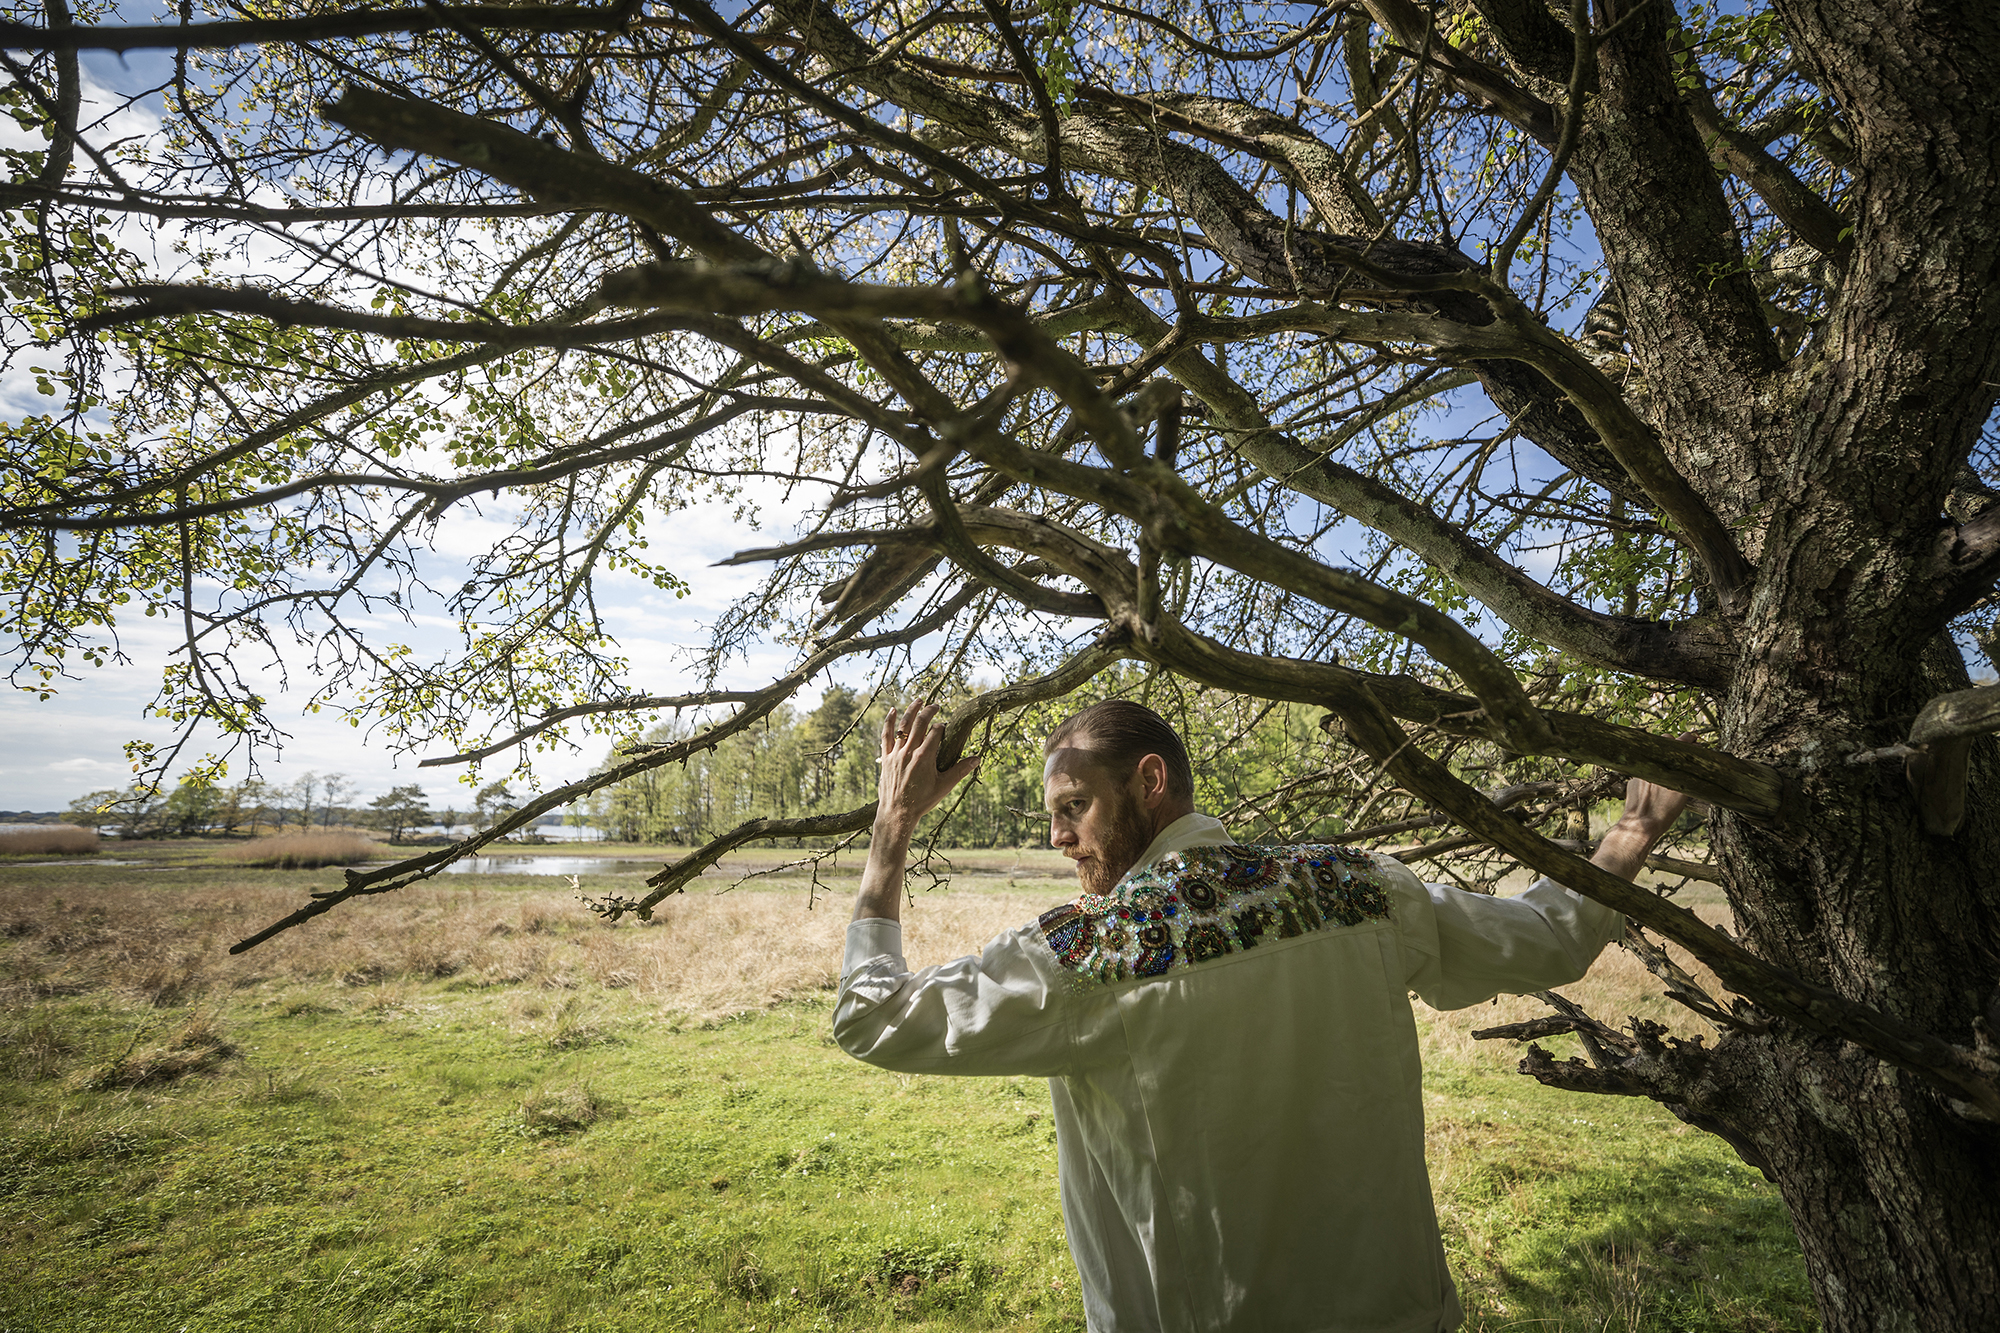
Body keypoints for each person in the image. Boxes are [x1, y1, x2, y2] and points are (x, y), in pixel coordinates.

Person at [834, 697, 1689, 1333]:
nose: (1058, 837)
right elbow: (1550, 935)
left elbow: (871, 1015)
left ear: (1150, 782)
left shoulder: (1091, 952)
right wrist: (1635, 825)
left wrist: (893, 823)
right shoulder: (1356, 888)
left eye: (1074, 807)